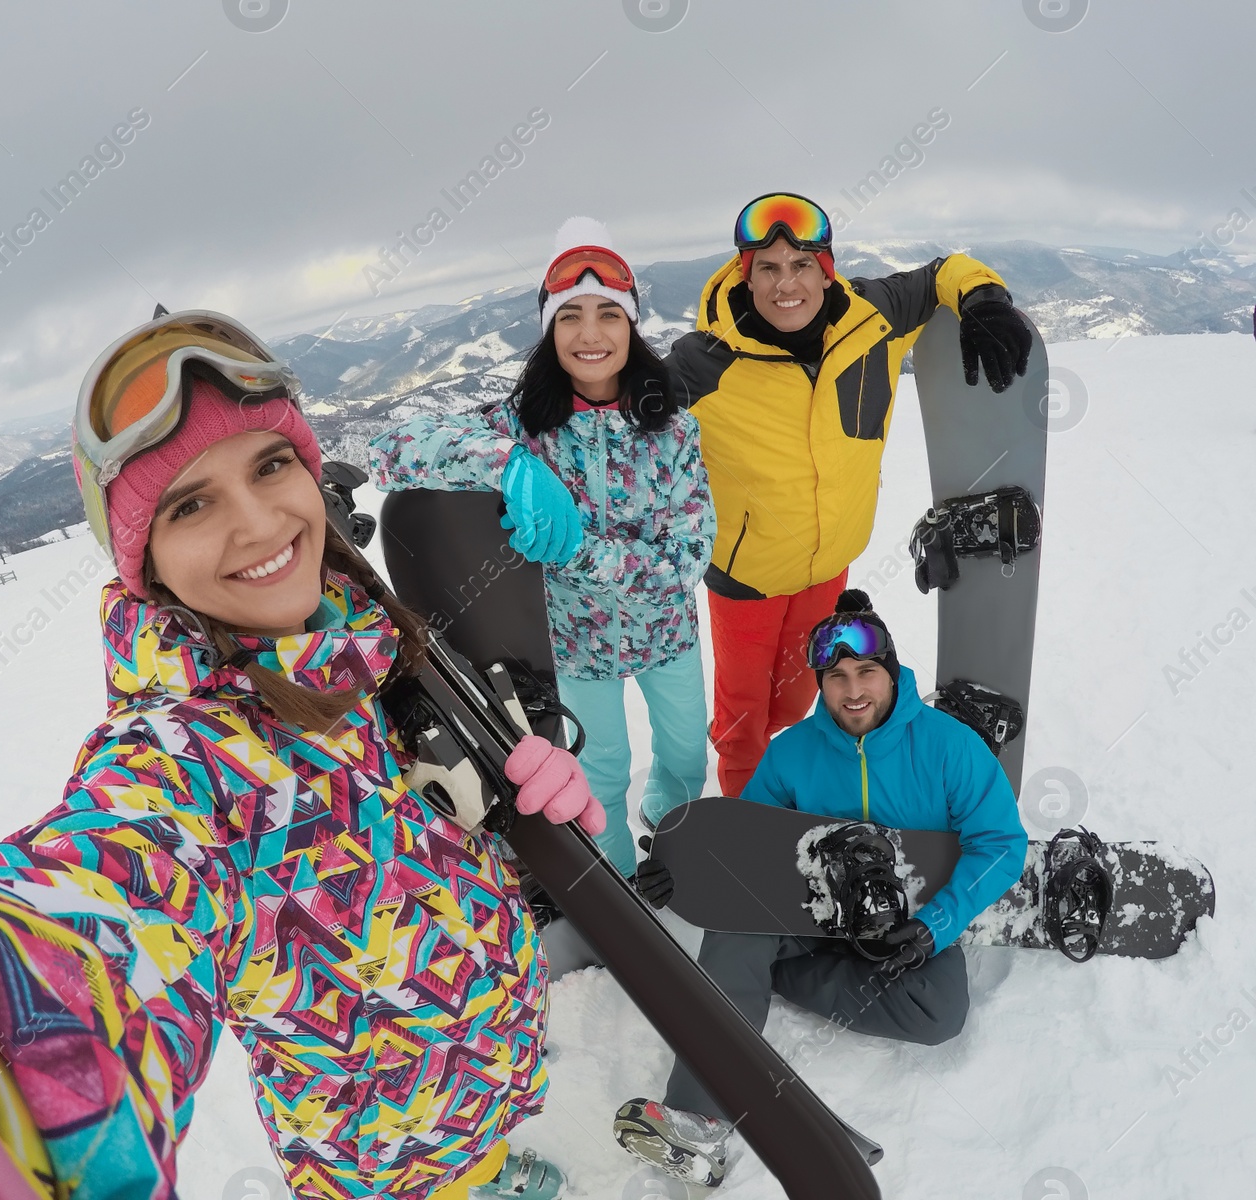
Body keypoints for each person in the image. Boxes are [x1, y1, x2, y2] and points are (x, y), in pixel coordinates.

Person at [0, 311, 606, 1200]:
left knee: (483, 1156)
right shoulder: (190, 759)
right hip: (387, 1155)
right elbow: (114, 887)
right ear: (149, 563)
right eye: (191, 504)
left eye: (271, 464)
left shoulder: (364, 645)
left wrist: (514, 828)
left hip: (486, 1069)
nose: (257, 524)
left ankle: (491, 1168)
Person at [614, 588, 1029, 1187]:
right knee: (737, 929)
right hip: (802, 913)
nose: (853, 689)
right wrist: (683, 868)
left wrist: (933, 927)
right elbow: (744, 841)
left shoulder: (947, 746)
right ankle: (696, 1119)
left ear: (891, 672)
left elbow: (1002, 843)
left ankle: (757, 987)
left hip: (901, 923)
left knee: (940, 1014)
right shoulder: (792, 754)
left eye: (866, 671)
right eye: (835, 676)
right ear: (820, 683)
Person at [372, 218, 716, 876]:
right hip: (577, 645)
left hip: (667, 634)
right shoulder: (521, 427)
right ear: (550, 332)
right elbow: (392, 451)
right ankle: (618, 883)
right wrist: (505, 463)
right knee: (602, 771)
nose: (590, 335)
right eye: (570, 317)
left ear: (631, 326)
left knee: (684, 758)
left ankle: (671, 835)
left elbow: (686, 560)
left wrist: (581, 548)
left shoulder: (672, 430)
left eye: (608, 315)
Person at [667, 193, 1033, 795]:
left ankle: (798, 793)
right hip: (746, 578)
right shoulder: (702, 362)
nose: (787, 284)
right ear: (745, 274)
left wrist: (984, 298)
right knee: (742, 725)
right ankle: (745, 831)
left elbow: (944, 272)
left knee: (793, 708)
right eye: (768, 267)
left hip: (828, 565)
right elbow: (615, 413)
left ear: (826, 268)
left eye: (802, 264)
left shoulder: (874, 315)